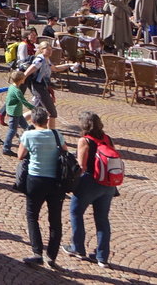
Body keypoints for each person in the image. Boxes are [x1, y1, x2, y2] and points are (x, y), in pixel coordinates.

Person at [65, 110, 117, 269]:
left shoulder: (85, 140)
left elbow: (82, 166)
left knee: (76, 212)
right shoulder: (107, 138)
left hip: (90, 182)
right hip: (108, 184)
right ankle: (102, 257)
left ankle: (78, 248)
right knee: (102, 220)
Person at [18, 106, 66, 269]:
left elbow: (20, 155)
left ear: (32, 120)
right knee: (55, 220)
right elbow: (65, 152)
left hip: (36, 180)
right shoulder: (56, 134)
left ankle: (37, 252)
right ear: (47, 121)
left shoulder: (28, 135)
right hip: (55, 182)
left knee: (32, 215)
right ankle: (52, 256)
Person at [23, 39, 58, 128]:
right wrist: (22, 79)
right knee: (52, 112)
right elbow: (29, 71)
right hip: (39, 88)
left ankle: (18, 122)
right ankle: (52, 133)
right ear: (42, 49)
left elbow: (55, 68)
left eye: (51, 49)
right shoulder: (40, 60)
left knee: (36, 110)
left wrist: (69, 65)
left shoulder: (46, 59)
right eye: (48, 49)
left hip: (42, 87)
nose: (50, 51)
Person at [2, 70, 32, 155]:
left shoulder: (12, 87)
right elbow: (24, 101)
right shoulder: (17, 90)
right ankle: (6, 148)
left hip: (17, 113)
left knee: (27, 128)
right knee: (12, 130)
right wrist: (34, 109)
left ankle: (22, 141)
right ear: (21, 80)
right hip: (15, 113)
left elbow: (8, 100)